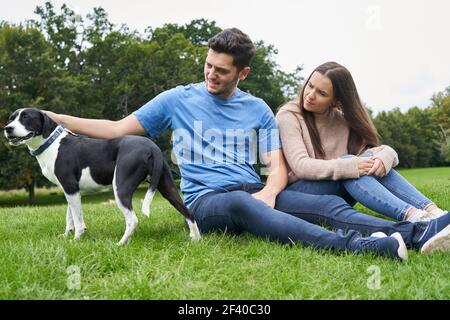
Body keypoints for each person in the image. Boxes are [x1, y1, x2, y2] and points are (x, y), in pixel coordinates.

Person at [43, 29, 450, 260]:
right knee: (241, 204)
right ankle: (361, 248)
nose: (211, 75)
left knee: (325, 204)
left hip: (255, 190)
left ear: (243, 73)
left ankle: (415, 232)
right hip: (207, 201)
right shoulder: (176, 99)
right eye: (208, 66)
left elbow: (277, 165)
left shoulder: (257, 109)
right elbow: (116, 129)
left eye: (221, 70)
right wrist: (57, 119)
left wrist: (271, 192)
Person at [276, 61, 448, 224]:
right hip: (297, 194)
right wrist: (349, 166)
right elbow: (301, 165)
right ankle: (414, 216)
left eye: (322, 93)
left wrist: (385, 156)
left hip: (336, 189)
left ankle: (434, 211)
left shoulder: (341, 120)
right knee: (350, 165)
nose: (310, 95)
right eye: (310, 85)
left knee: (368, 162)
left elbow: (370, 152)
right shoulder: (289, 115)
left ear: (335, 100)